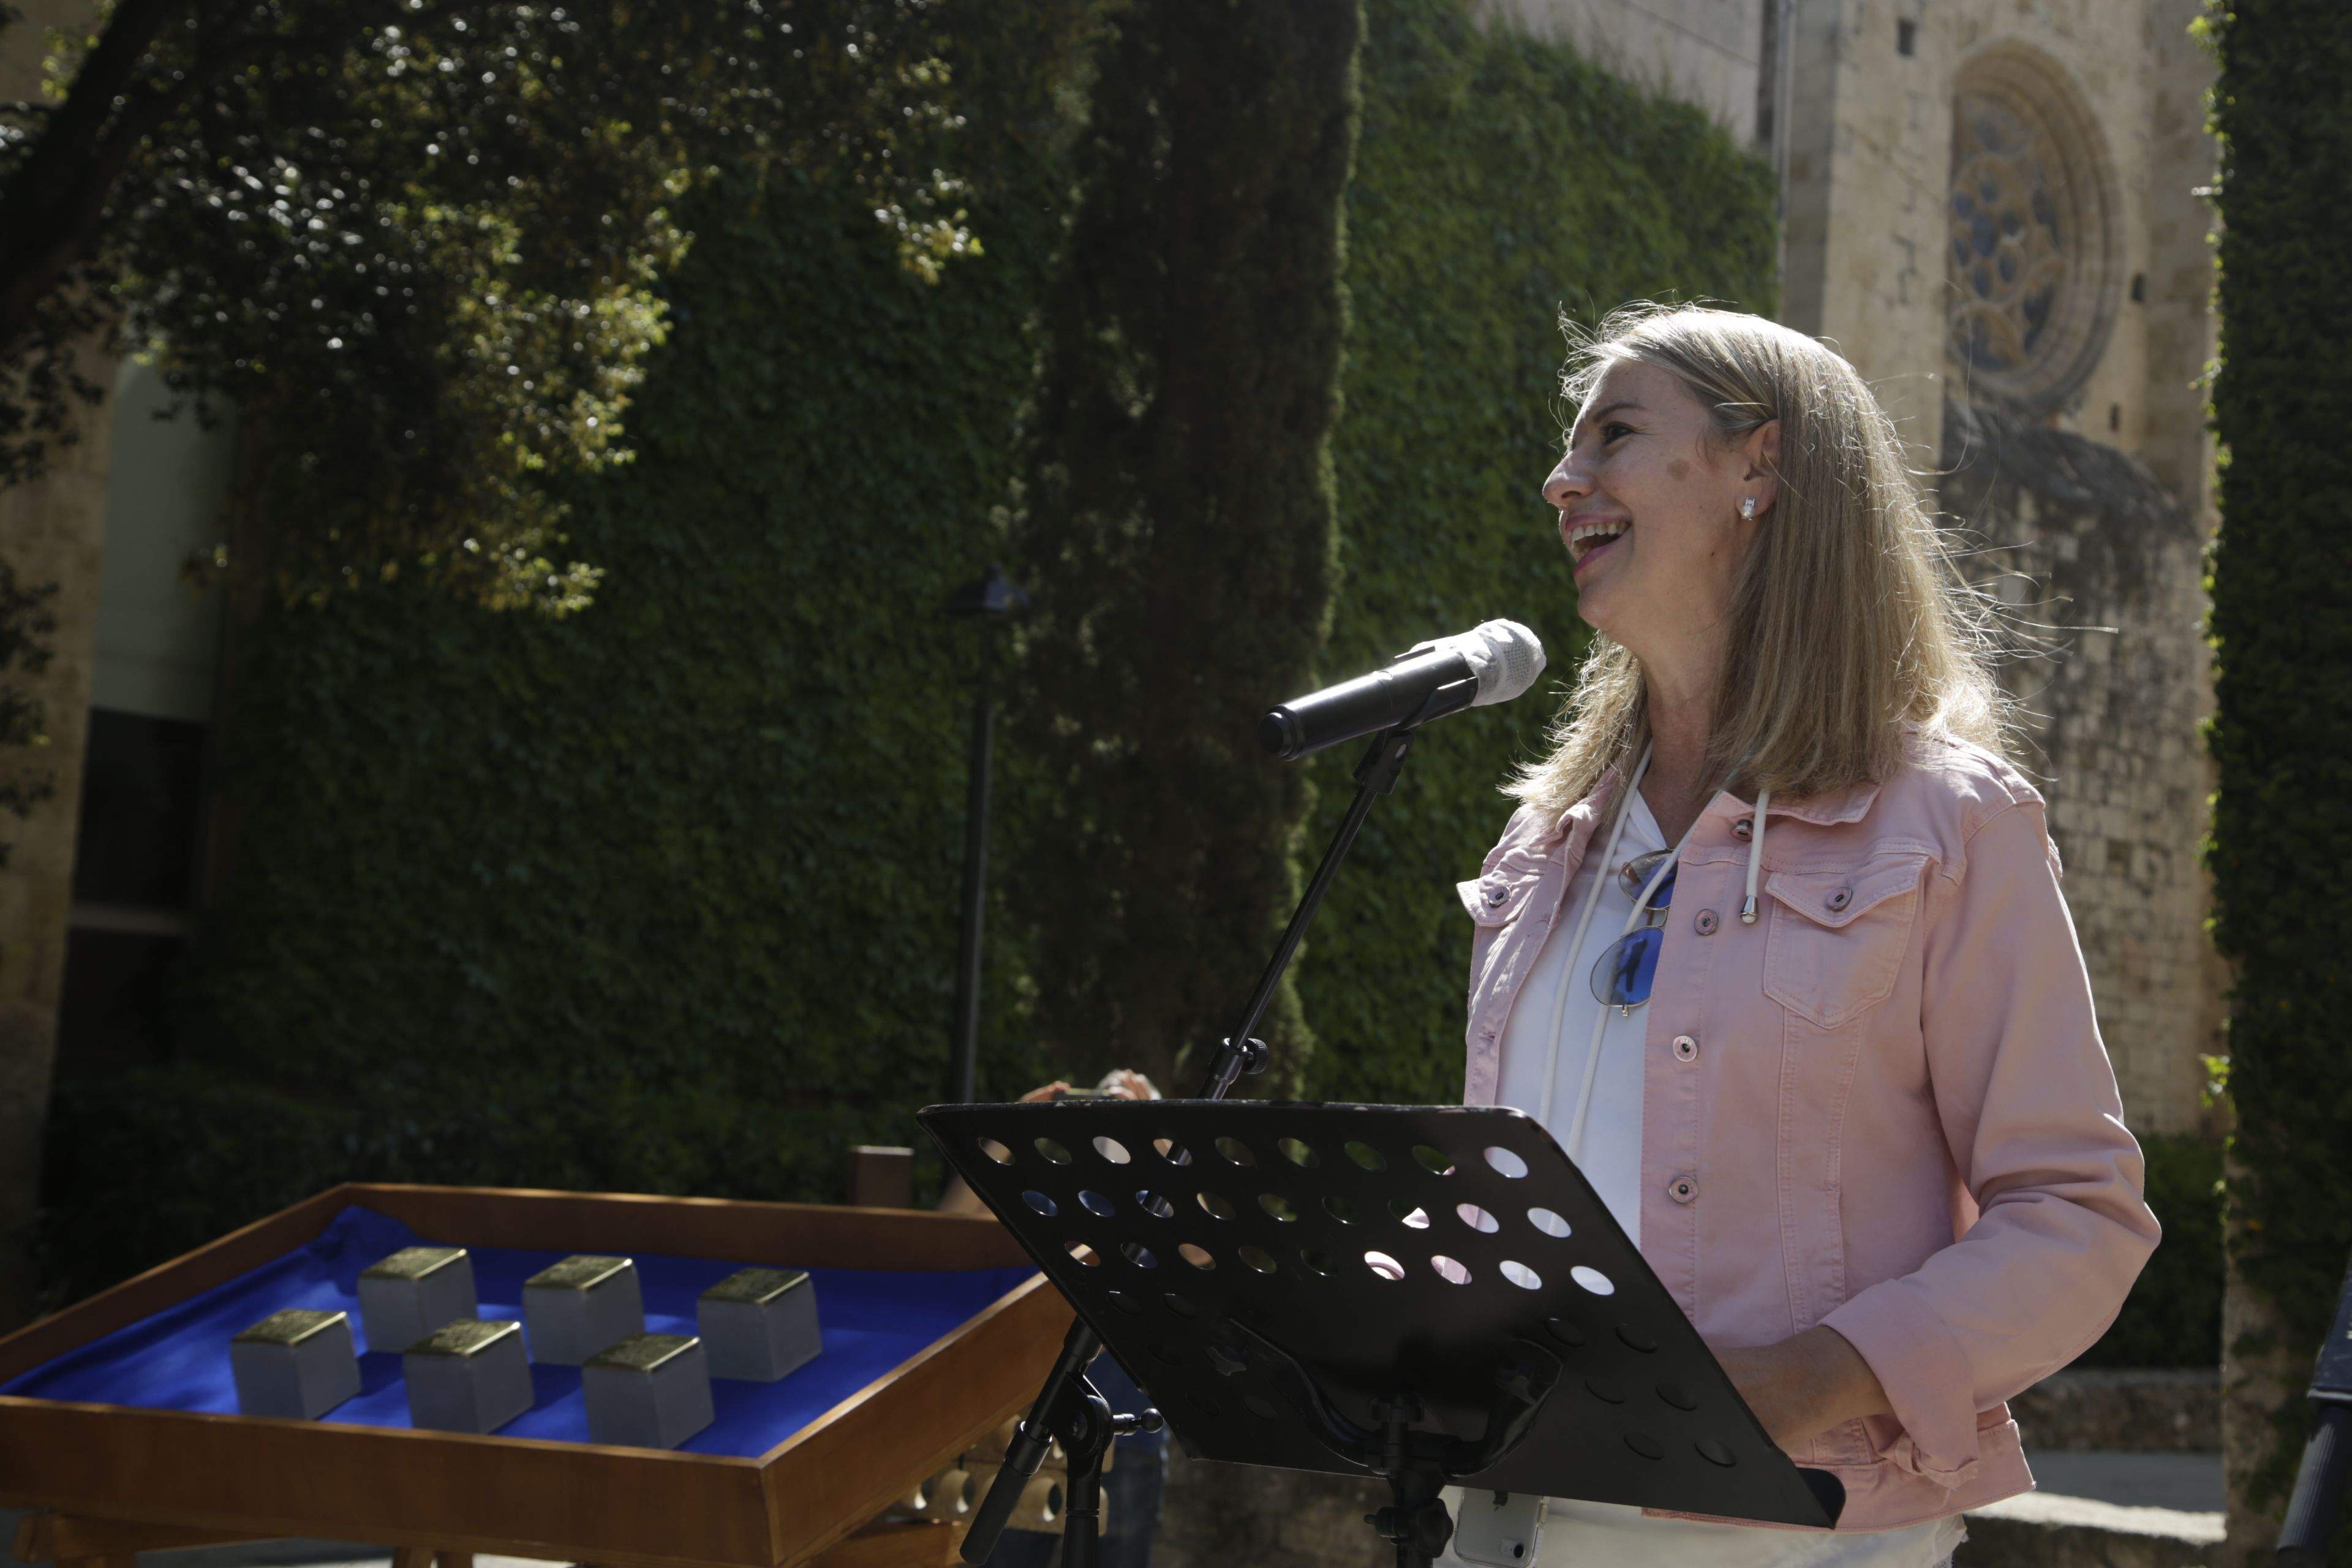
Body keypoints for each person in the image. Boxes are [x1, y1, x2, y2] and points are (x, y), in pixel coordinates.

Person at [1448, 304, 2159, 1566]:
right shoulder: (1543, 841)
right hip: (1497, 1517)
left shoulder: (1950, 825)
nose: (1563, 479)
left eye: (1614, 435)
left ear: (1759, 466)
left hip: (1798, 1537)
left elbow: (2075, 1216)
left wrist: (1810, 1377)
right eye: (1572, 446)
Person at [939, 1070, 1169, 1568]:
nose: (1117, 1109)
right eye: (1106, 1099)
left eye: (1133, 1105)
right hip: (1037, 1426)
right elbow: (954, 1225)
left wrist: (1170, 1150)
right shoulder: (1051, 1201)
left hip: (1130, 1432)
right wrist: (1007, 1130)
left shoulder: (1167, 1212)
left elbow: (1204, 1258)